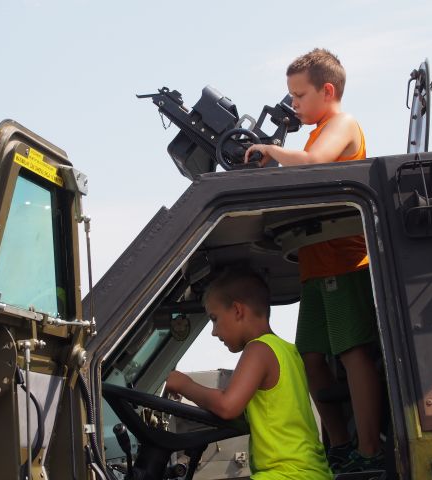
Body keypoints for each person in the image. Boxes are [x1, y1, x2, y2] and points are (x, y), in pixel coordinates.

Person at [245, 48, 383, 473]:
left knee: (352, 353)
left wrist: (271, 150)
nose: (293, 104)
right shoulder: (317, 130)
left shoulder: (341, 124)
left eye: (299, 95)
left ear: (327, 91)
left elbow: (315, 163)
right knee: (310, 354)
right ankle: (339, 443)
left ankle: (369, 451)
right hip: (315, 266)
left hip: (343, 262)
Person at [165, 268, 332, 480]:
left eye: (214, 319)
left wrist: (183, 384)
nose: (214, 331)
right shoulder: (288, 352)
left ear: (237, 310)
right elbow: (246, 414)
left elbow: (227, 406)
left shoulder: (258, 349)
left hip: (286, 475)